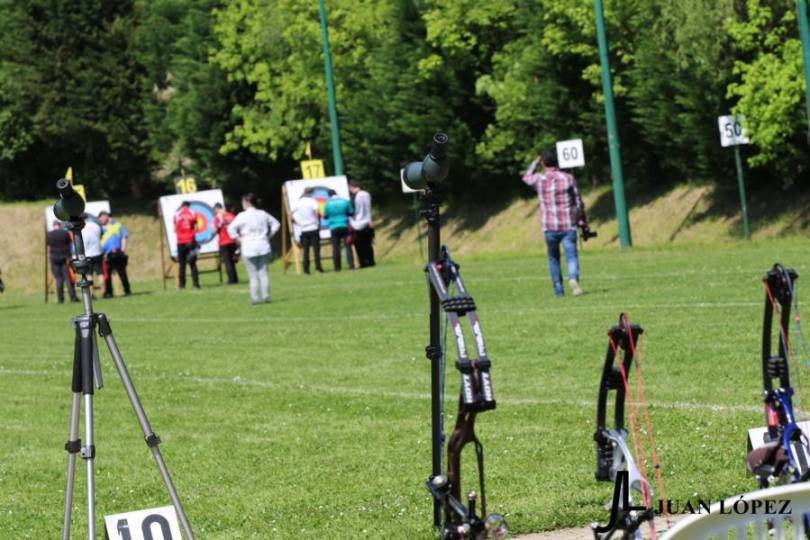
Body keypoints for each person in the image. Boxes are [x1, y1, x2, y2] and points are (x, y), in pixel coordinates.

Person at [522, 150, 585, 297]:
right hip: (568, 224)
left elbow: (526, 177)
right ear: (556, 162)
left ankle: (558, 291)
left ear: (543, 163)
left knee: (553, 258)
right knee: (571, 256)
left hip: (549, 226)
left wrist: (535, 162)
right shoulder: (568, 178)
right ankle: (573, 278)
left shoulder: (539, 179)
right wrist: (581, 219)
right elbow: (578, 201)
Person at [227, 193, 280, 304]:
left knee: (253, 275)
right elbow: (276, 224)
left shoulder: (242, 215)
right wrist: (270, 235)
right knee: (263, 272)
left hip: (249, 246)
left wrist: (238, 238)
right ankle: (266, 296)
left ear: (247, 202)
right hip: (263, 244)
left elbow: (230, 228)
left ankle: (255, 298)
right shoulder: (262, 213)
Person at [98, 211, 131, 298]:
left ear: (106, 216)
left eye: (101, 218)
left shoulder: (117, 225)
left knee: (122, 273)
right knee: (107, 274)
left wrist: (123, 250)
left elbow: (124, 236)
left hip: (117, 252)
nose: (100, 220)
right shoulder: (99, 228)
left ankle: (127, 290)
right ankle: (109, 292)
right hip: (106, 254)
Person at [292, 188, 323, 274]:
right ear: (311, 193)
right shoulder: (312, 201)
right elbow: (317, 212)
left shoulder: (298, 202)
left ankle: (306, 270)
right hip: (313, 227)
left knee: (306, 250)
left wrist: (297, 223)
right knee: (316, 250)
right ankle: (318, 268)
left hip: (304, 229)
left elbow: (290, 215)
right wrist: (318, 222)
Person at [323, 189, 354, 272]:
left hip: (333, 227)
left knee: (335, 248)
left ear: (329, 195)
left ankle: (337, 267)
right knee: (348, 246)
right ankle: (351, 265)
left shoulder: (327, 204)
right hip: (344, 225)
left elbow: (325, 216)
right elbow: (351, 212)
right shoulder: (345, 201)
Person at [47, 221, 78, 303]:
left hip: (54, 258)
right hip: (65, 258)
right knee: (68, 278)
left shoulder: (49, 234)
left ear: (53, 226)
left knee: (58, 279)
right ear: (60, 225)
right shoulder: (65, 233)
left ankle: (60, 299)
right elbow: (70, 244)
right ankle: (73, 297)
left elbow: (48, 246)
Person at [173, 201, 201, 289]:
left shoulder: (176, 214)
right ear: (189, 206)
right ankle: (196, 284)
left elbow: (174, 229)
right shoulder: (193, 213)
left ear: (181, 206)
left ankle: (182, 285)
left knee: (182, 264)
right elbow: (197, 228)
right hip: (190, 241)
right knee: (193, 263)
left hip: (180, 242)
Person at [348, 180, 375, 268]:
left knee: (359, 245)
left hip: (357, 223)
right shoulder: (366, 194)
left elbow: (351, 210)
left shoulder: (353, 196)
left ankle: (363, 263)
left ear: (351, 187)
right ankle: (371, 261)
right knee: (368, 244)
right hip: (367, 222)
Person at [213, 203, 239, 284]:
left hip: (223, 242)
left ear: (217, 209)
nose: (215, 212)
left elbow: (215, 230)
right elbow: (238, 227)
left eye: (215, 210)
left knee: (227, 261)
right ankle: (235, 278)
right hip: (233, 241)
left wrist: (217, 227)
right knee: (232, 261)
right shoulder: (231, 215)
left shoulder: (217, 217)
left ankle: (231, 280)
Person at [82, 213, 105, 296]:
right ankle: (104, 292)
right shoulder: (96, 226)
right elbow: (101, 236)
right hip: (98, 252)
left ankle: (91, 294)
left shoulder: (81, 228)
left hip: (87, 254)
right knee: (100, 273)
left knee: (89, 275)